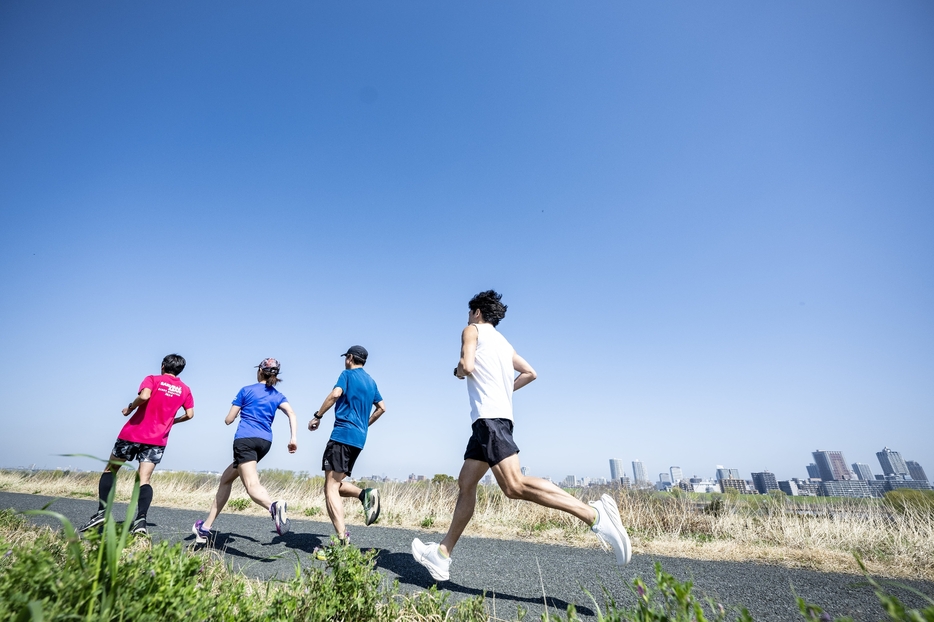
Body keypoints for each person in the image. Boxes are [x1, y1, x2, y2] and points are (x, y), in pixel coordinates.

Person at [412, 290, 632, 581]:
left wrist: (457, 372)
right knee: (466, 482)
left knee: (513, 486)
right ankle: (442, 554)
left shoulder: (472, 330)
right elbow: (530, 372)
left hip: (489, 420)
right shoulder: (504, 344)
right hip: (492, 420)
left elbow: (466, 366)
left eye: (469, 312)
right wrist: (503, 392)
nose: (467, 317)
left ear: (477, 312)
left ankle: (594, 515)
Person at [79, 354, 195, 535]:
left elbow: (145, 395)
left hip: (133, 433)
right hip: (157, 439)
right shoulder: (185, 389)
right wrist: (172, 422)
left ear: (163, 365)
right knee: (144, 479)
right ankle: (140, 521)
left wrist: (130, 408)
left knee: (111, 469)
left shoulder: (152, 379)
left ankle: (102, 513)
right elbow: (190, 414)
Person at [192, 358, 298, 544]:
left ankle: (273, 507)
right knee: (226, 479)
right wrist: (293, 438)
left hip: (245, 440)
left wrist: (233, 414)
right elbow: (291, 413)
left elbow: (229, 419)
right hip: (264, 442)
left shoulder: (246, 390)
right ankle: (205, 528)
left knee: (251, 485)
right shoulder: (277, 395)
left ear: (259, 371)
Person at [308, 345, 386, 548]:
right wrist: (364, 425)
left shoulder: (347, 374)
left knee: (330, 488)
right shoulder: (371, 382)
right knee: (332, 485)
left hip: (342, 435)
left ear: (350, 358)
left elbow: (335, 394)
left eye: (346, 358)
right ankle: (364, 495)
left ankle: (342, 541)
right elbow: (382, 408)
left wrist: (318, 416)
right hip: (359, 440)